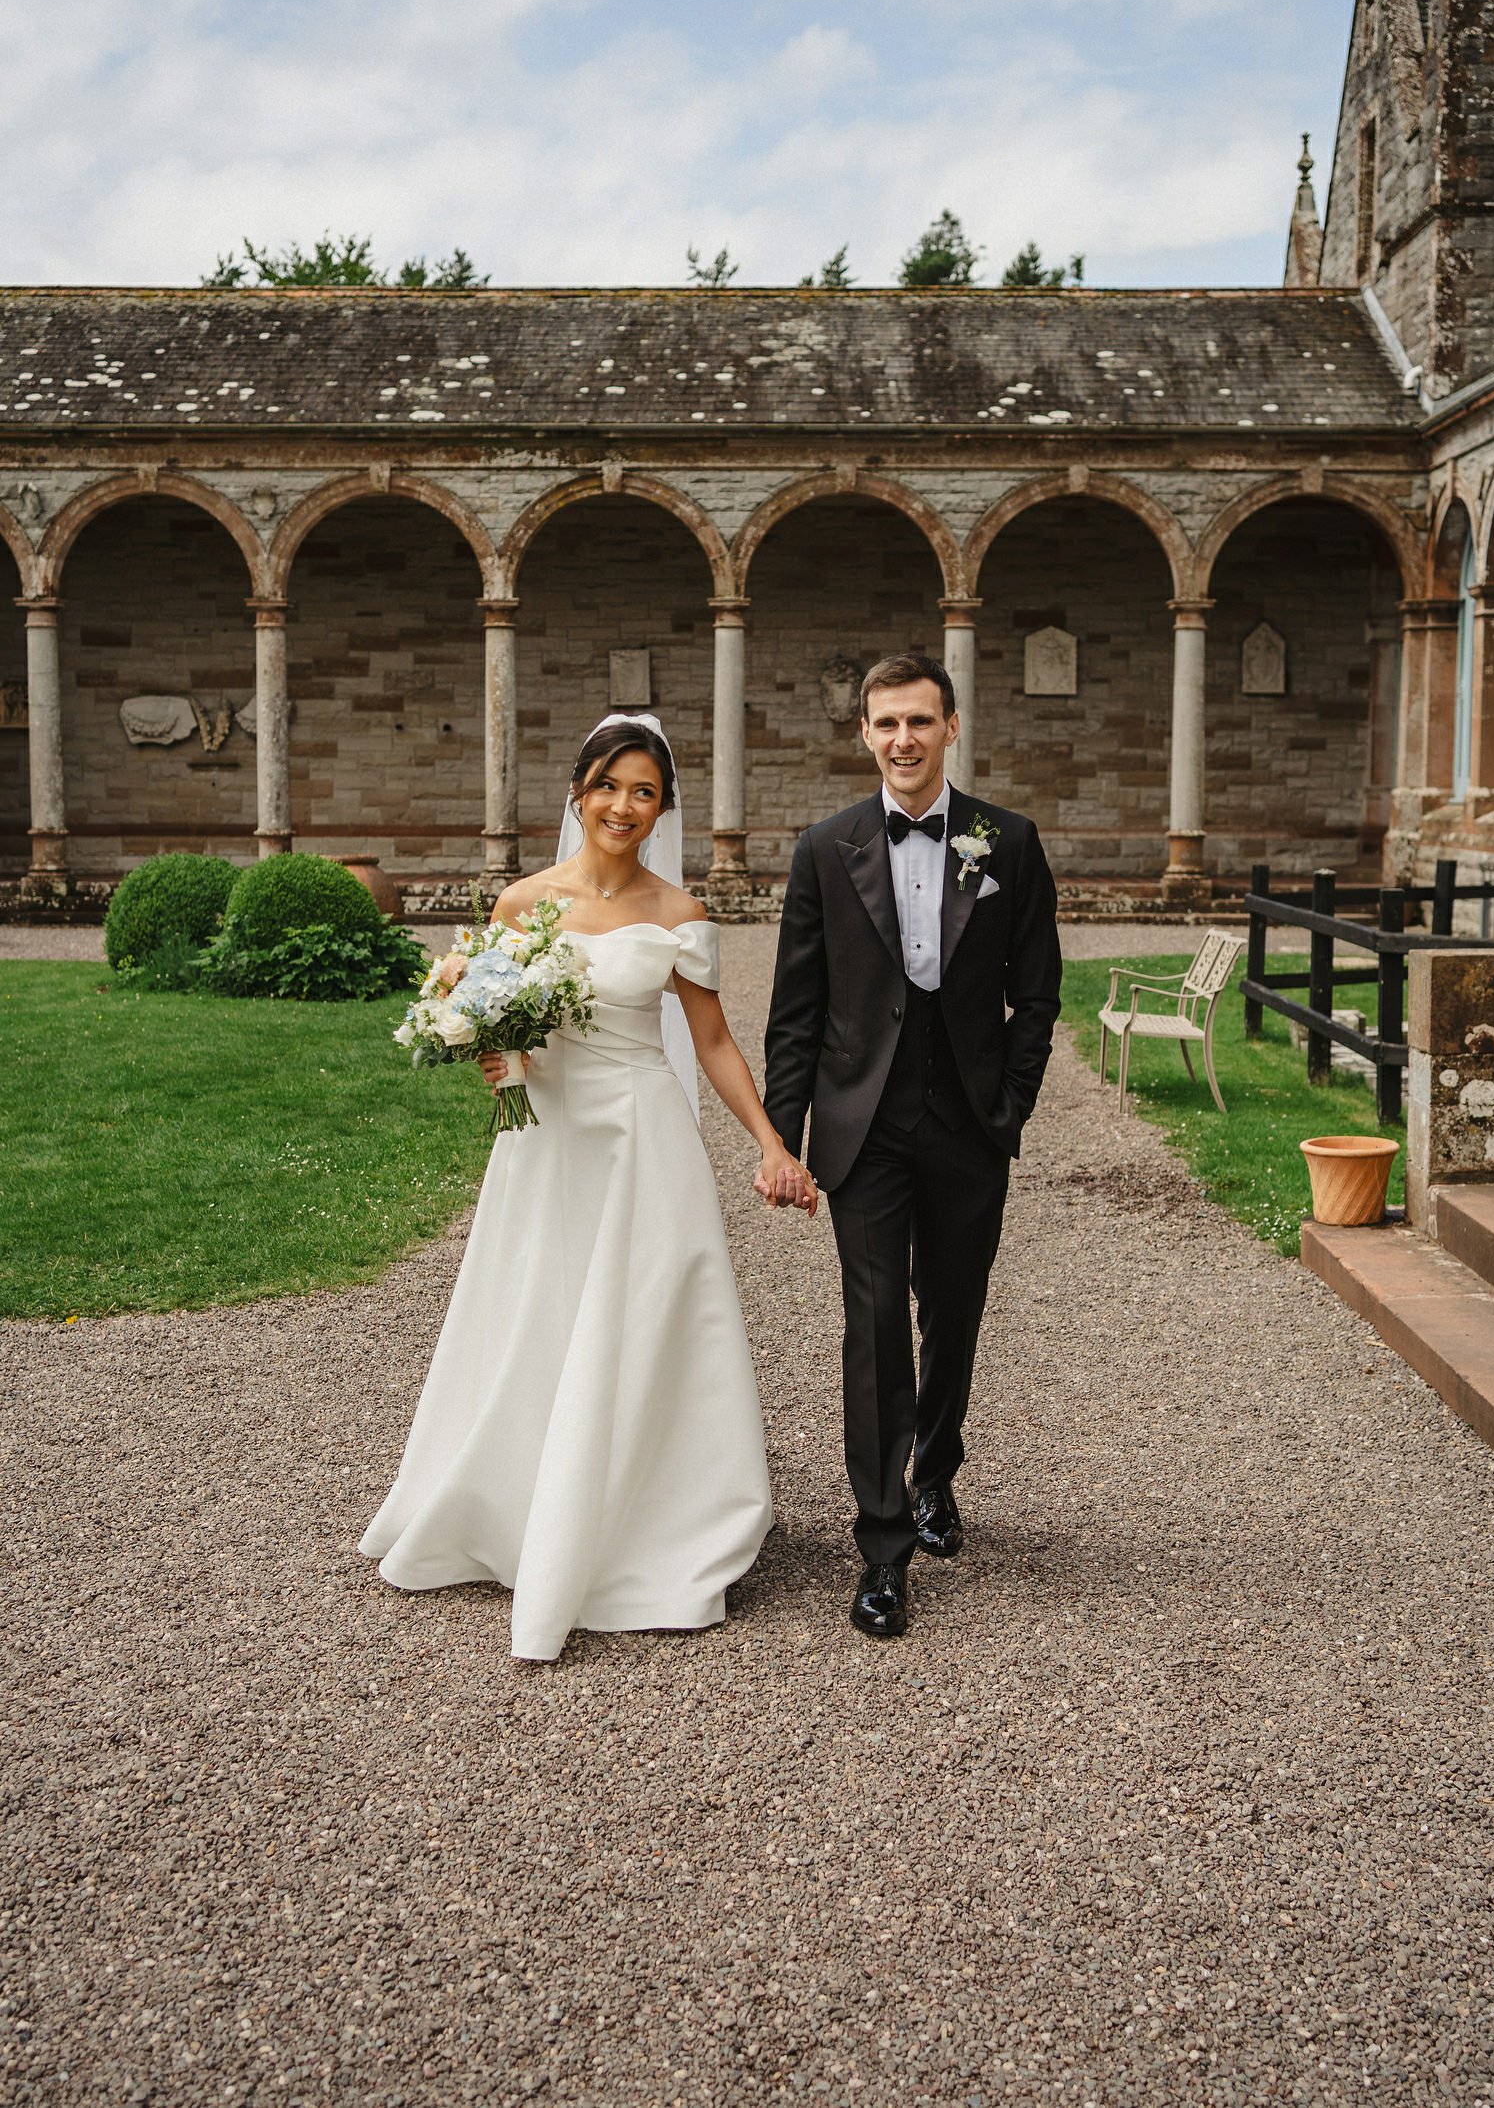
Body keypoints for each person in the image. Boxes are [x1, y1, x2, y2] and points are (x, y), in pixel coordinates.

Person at [361, 714, 815, 1661]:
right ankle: (517, 1505)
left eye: (644, 791)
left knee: (646, 1318)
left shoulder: (681, 915)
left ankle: (653, 1522)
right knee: (537, 1311)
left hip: (644, 1135)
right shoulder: (523, 903)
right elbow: (492, 1016)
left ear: (661, 809)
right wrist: (494, 1052)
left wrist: (773, 1145)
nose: (623, 806)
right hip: (549, 1141)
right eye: (609, 786)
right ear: (578, 792)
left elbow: (715, 1044)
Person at [761, 653, 1061, 1640]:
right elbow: (795, 1010)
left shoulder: (1004, 842)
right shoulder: (825, 847)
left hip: (971, 1121)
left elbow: (1039, 989)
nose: (902, 740)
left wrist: (1012, 1104)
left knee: (956, 1311)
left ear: (952, 727)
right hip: (864, 1128)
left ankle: (935, 1475)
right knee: (877, 1320)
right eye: (885, 724)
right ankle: (882, 1548)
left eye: (919, 722)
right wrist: (782, 1136)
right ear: (863, 734)